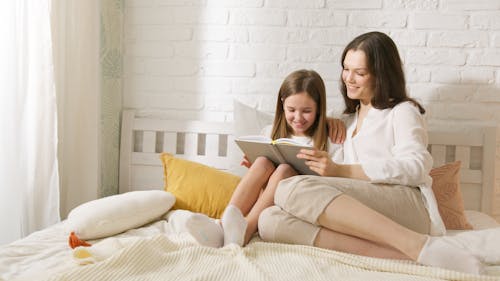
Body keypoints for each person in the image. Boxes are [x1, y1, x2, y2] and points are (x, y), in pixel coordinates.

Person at [257, 31, 484, 275]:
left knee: (291, 188)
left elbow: (416, 167)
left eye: (360, 73)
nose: (348, 79)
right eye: (346, 69)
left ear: (381, 74)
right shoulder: (348, 120)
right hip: (363, 209)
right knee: (269, 220)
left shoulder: (402, 111)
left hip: (407, 204)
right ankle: (409, 255)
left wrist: (340, 171)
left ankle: (415, 244)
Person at [168, 69, 344, 248]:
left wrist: (330, 123)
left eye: (307, 111)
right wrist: (254, 167)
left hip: (297, 202)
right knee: (262, 162)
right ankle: (221, 226)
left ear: (319, 108)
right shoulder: (269, 132)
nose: (298, 117)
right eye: (291, 110)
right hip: (267, 201)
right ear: (282, 104)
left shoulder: (330, 138)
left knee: (284, 170)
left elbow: (337, 181)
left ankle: (245, 231)